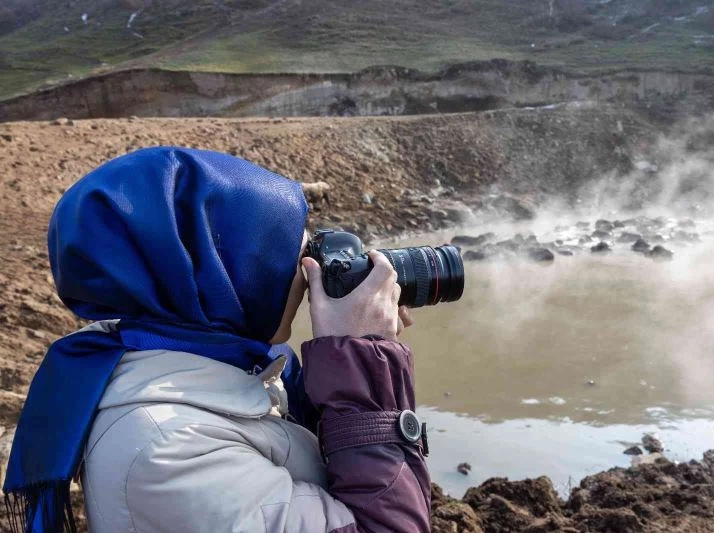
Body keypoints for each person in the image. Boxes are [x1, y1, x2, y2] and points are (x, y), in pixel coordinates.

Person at [3, 147, 431, 533]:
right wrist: (366, 369)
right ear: (212, 272)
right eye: (283, 250)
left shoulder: (217, 365)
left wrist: (354, 359)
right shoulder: (169, 449)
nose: (306, 271)